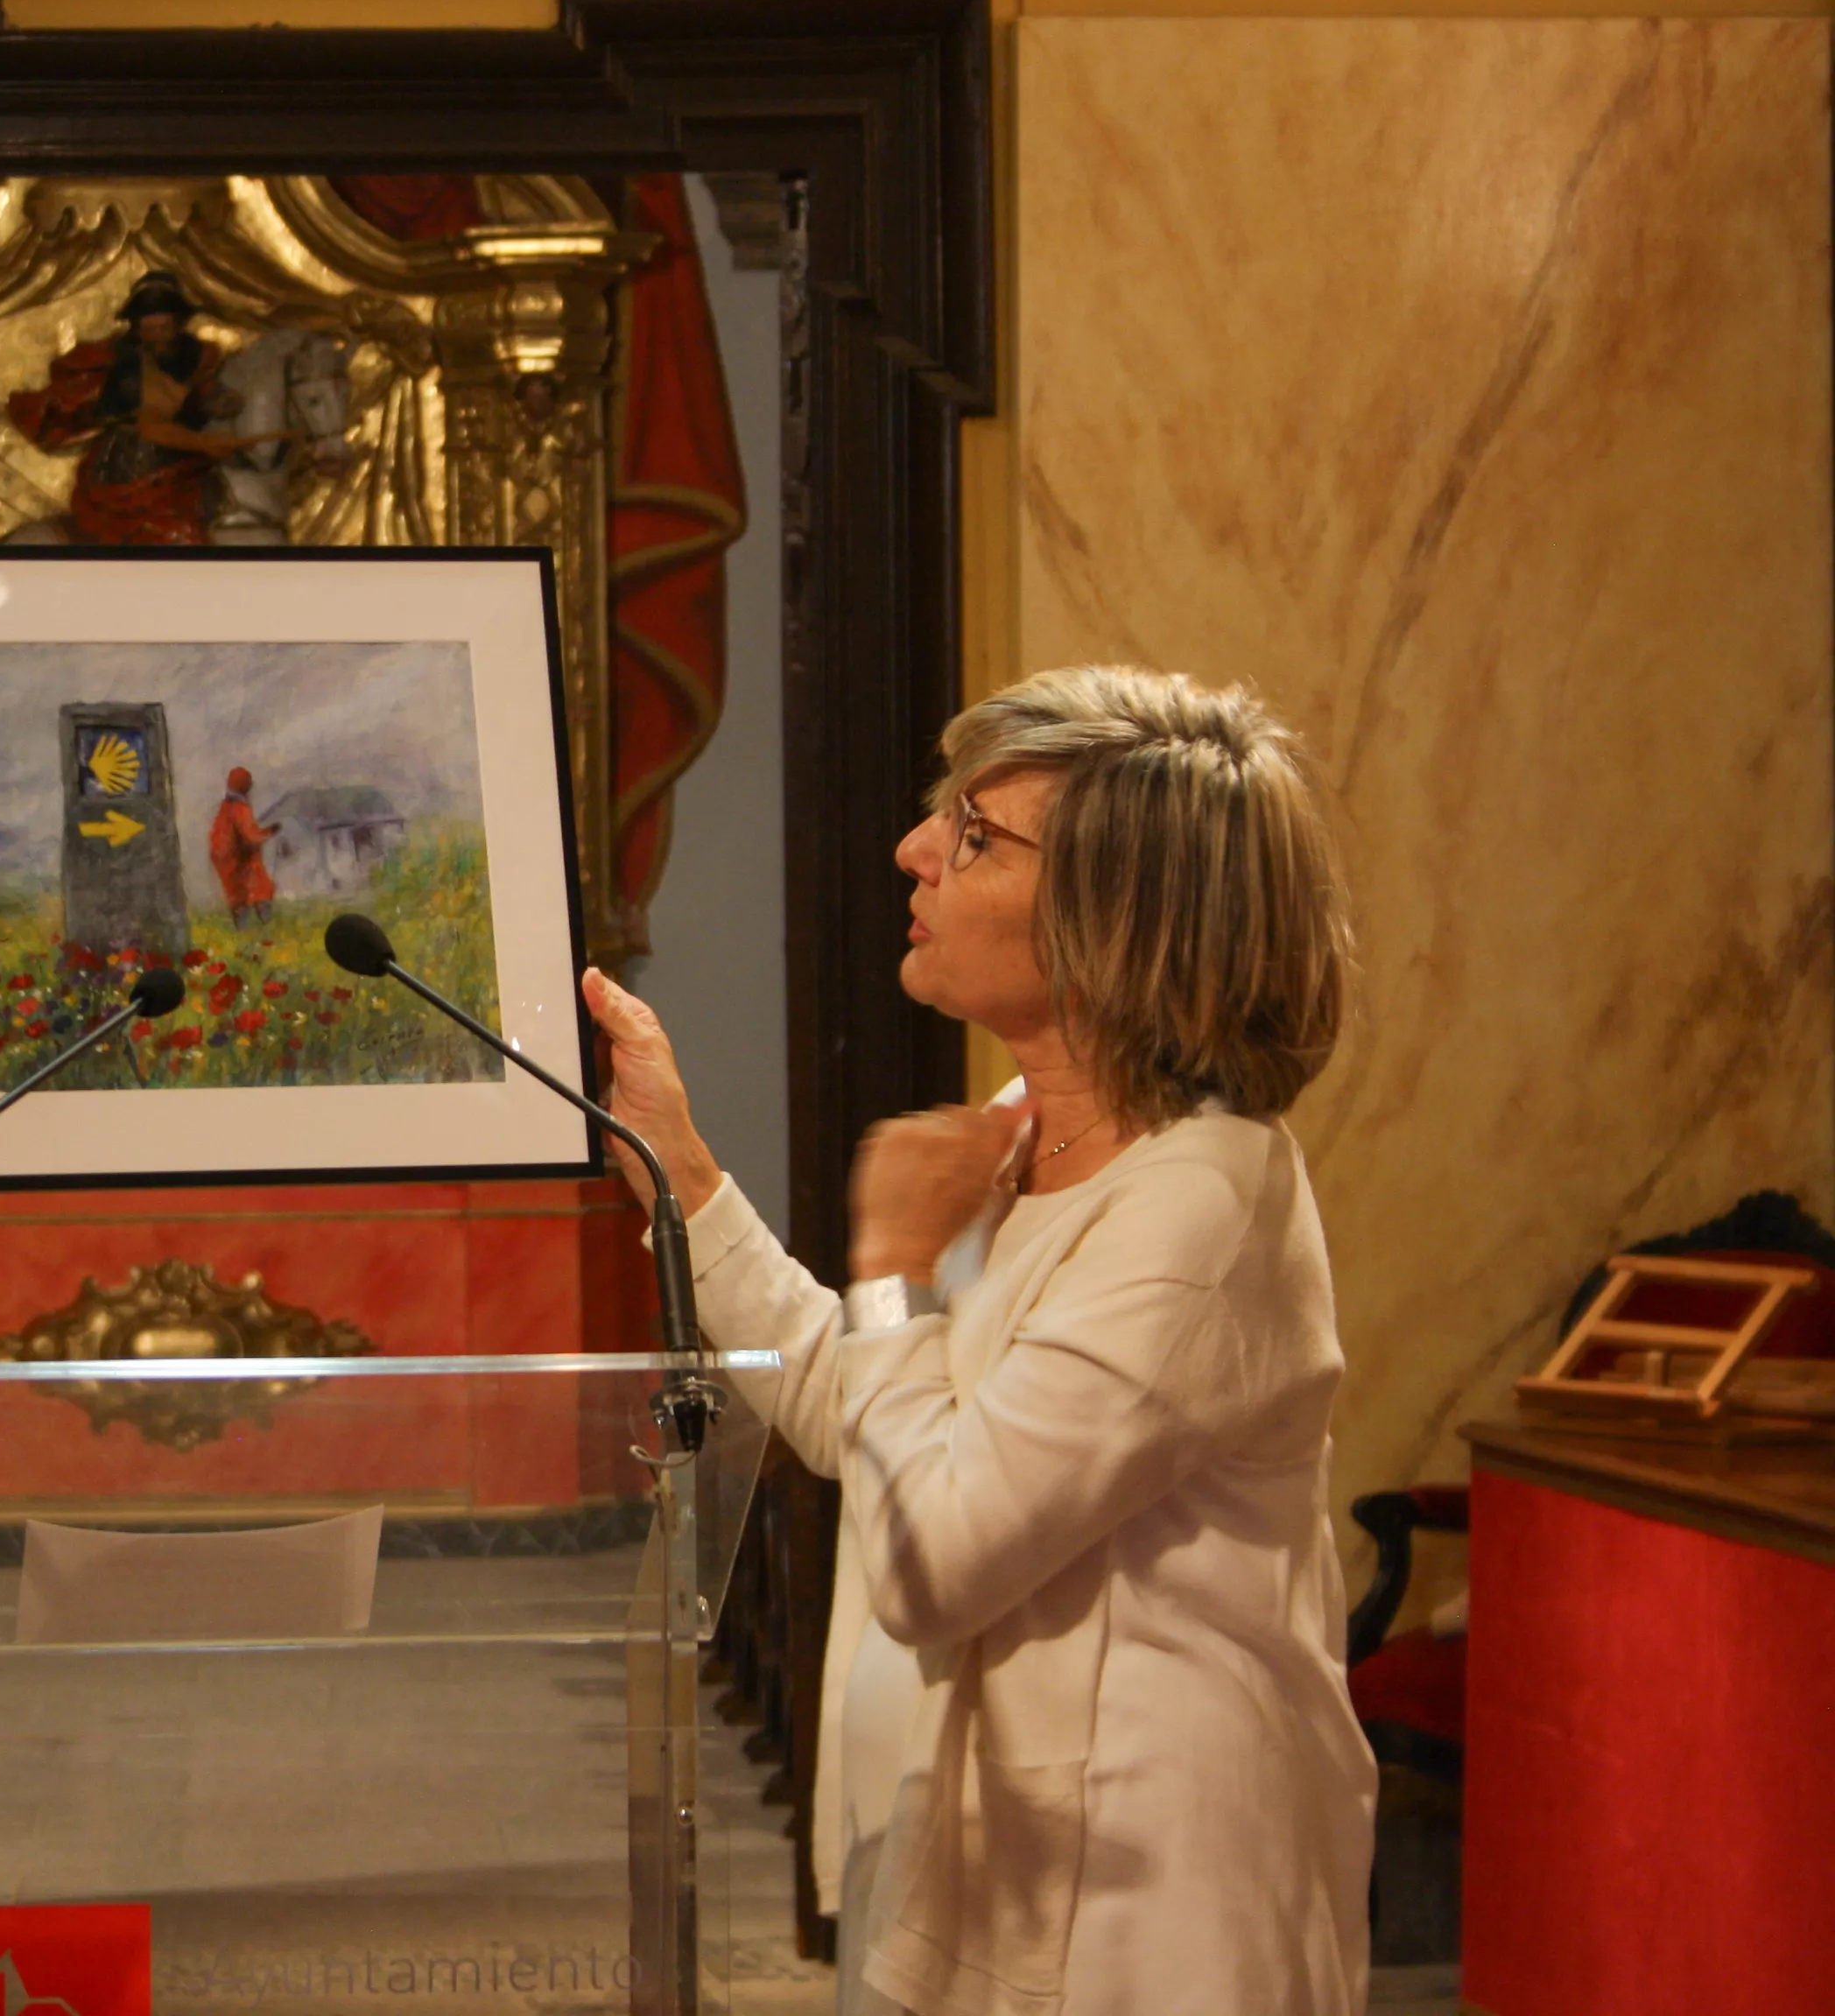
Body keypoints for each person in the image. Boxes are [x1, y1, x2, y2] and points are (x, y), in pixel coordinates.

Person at [582, 664, 1373, 2016]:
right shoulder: (1030, 1125)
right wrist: (686, 1177)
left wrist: (890, 1263)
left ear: (1121, 918)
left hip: (1140, 1905)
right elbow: (880, 1417)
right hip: (988, 1838)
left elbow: (941, 1558)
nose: (914, 848)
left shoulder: (1202, 1200)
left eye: (975, 833)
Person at [5, 270, 247, 545]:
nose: (157, 336)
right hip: (128, 469)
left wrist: (218, 403)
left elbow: (206, 394)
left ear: (178, 324)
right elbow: (115, 410)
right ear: (137, 327)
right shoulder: (123, 363)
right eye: (149, 328)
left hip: (187, 466)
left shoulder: (196, 355)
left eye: (164, 327)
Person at [207, 764, 277, 925]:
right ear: (244, 786)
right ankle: (266, 925)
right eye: (249, 783)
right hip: (239, 858)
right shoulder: (240, 808)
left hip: (224, 858)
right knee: (260, 888)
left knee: (237, 896)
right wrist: (269, 832)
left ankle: (242, 930)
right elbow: (251, 837)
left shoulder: (225, 807)